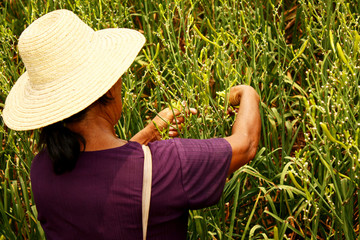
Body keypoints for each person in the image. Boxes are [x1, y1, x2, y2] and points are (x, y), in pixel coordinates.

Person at [2, 9, 261, 240]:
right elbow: (246, 143)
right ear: (108, 89)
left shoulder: (42, 169)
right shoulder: (169, 166)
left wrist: (148, 134)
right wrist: (248, 93)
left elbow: (108, 178)